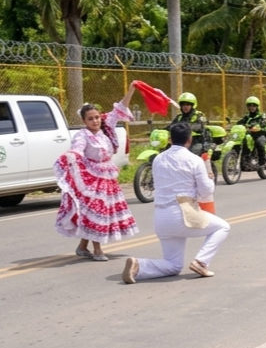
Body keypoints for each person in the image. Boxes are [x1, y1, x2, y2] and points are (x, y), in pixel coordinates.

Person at [122, 122, 231, 284]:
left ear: (170, 140)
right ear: (189, 140)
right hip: (184, 215)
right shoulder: (194, 160)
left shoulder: (158, 159)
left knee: (173, 265)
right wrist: (210, 179)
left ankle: (139, 265)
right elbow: (206, 192)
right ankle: (201, 262)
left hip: (161, 218)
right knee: (223, 227)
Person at [54, 85, 140, 261]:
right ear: (84, 121)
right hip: (92, 180)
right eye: (91, 119)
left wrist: (131, 90)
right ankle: (98, 249)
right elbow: (77, 150)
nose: (95, 121)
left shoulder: (105, 128)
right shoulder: (82, 136)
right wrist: (70, 156)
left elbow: (120, 109)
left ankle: (82, 246)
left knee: (102, 213)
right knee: (96, 212)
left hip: (108, 178)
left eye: (97, 117)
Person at [171, 92, 210, 157]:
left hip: (196, 141)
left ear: (192, 105)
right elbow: (171, 126)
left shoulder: (199, 115)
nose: (185, 107)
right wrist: (159, 130)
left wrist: (189, 127)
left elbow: (201, 126)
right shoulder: (179, 117)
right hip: (182, 141)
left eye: (188, 104)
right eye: (183, 105)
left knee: (194, 152)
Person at [236, 96, 266, 167]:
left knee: (259, 142)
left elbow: (264, 123)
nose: (251, 107)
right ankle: (241, 158)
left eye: (254, 105)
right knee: (240, 141)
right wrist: (235, 125)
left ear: (257, 106)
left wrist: (258, 125)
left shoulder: (262, 115)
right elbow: (240, 122)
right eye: (249, 105)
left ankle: (262, 161)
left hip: (260, 134)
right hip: (249, 133)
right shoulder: (247, 116)